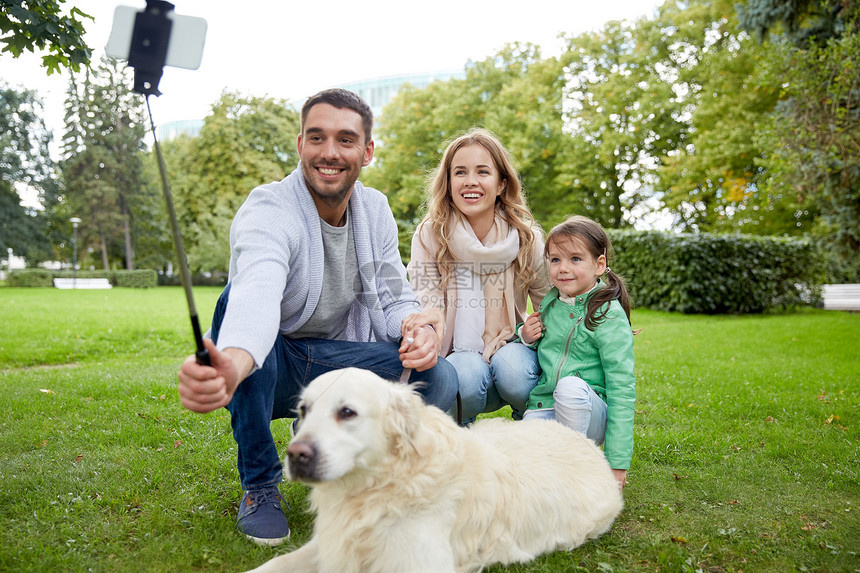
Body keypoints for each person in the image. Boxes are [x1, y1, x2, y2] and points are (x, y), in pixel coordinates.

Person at [176, 88, 459, 546]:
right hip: (263, 365)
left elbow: (392, 296)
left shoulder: (376, 209)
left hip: (331, 359)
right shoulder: (270, 207)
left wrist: (417, 327)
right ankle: (261, 486)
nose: (330, 153)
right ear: (301, 144)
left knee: (439, 377)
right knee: (236, 303)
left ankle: (367, 475)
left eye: (346, 140)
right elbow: (256, 294)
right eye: (317, 137)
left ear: (367, 151)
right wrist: (233, 359)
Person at [408, 128, 550, 426]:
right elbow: (426, 299)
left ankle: (534, 428)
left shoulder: (526, 239)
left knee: (515, 372)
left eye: (483, 172)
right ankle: (460, 433)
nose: (471, 181)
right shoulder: (431, 235)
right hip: (454, 352)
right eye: (460, 172)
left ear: (501, 184)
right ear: (448, 183)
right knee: (466, 376)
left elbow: (550, 303)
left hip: (513, 345)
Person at [520, 215, 637, 490]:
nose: (563, 268)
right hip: (547, 407)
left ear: (599, 265)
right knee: (522, 457)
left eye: (575, 259)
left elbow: (622, 388)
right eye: (555, 260)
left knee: (570, 387)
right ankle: (554, 471)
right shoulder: (551, 304)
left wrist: (617, 463)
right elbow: (550, 346)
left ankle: (577, 467)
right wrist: (525, 335)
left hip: (587, 412)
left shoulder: (607, 314)